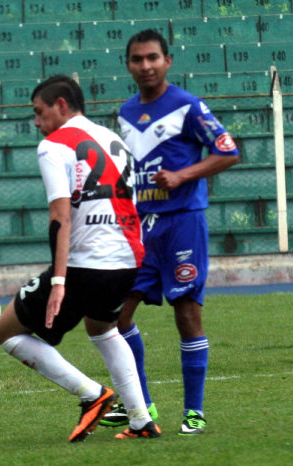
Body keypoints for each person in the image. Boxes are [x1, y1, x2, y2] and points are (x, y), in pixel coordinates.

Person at [0, 75, 161, 442]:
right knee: (102, 328)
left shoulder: (54, 145)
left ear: (61, 105)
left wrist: (58, 281)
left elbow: (60, 216)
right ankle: (140, 421)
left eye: (39, 113)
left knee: (6, 331)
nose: (37, 122)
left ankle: (92, 395)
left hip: (87, 263)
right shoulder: (112, 137)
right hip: (128, 259)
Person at [100, 29, 240, 435]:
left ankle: (193, 412)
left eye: (152, 58)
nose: (145, 66)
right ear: (128, 64)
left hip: (182, 222)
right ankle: (141, 405)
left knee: (187, 314)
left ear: (167, 61)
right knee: (116, 316)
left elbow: (228, 151)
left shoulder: (187, 106)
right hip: (139, 227)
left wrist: (183, 174)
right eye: (137, 59)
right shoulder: (125, 113)